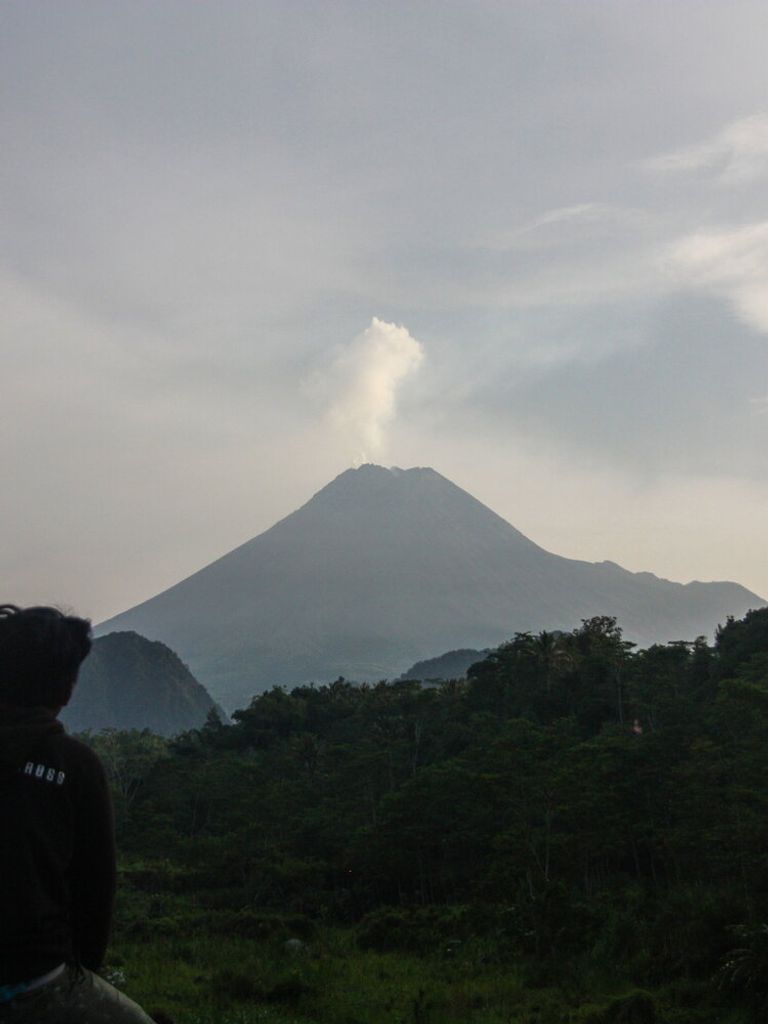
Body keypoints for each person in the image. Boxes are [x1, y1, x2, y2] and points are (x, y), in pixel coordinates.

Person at [0, 604, 154, 1022]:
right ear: (65, 686)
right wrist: (84, 970)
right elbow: (95, 888)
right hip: (36, 981)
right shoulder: (75, 766)